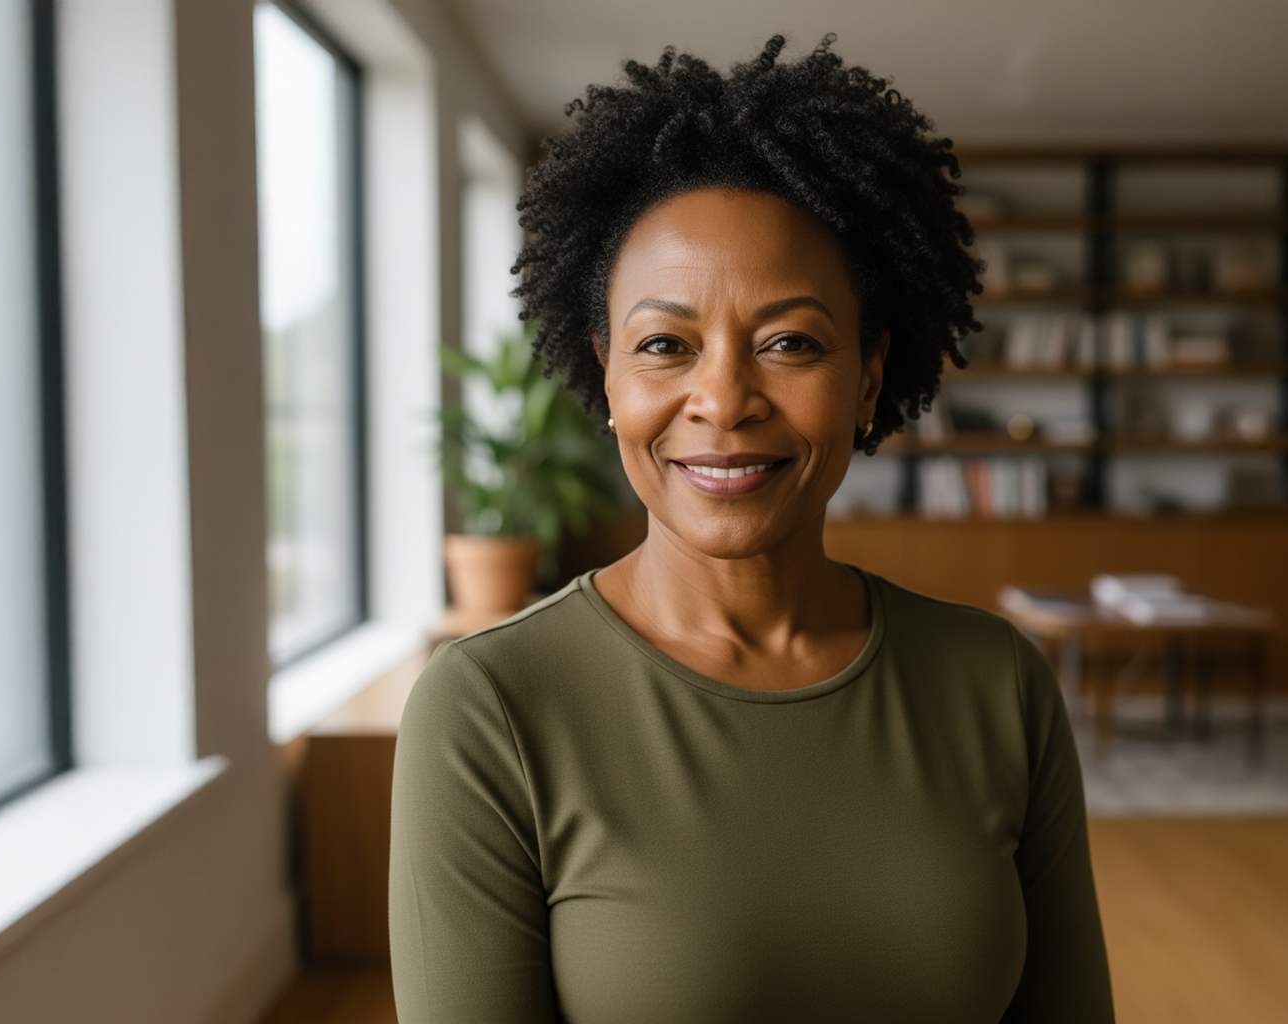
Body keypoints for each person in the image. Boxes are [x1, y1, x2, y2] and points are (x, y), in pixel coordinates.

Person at [389, 35, 1113, 1023]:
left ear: (866, 377)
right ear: (607, 377)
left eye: (790, 343)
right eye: (664, 345)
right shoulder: (489, 710)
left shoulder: (999, 683)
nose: (723, 399)